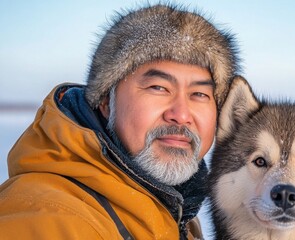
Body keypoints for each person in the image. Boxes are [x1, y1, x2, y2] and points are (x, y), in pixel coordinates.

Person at [0, 3, 240, 239]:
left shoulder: (173, 209)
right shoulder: (49, 218)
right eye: (158, 87)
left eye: (199, 94)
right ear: (106, 101)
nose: (181, 114)